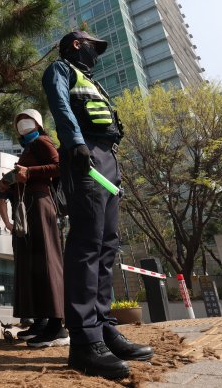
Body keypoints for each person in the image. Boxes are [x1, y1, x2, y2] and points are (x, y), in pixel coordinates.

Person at [42, 30, 152, 380]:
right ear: (77, 43)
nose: (96, 53)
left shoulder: (92, 82)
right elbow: (60, 104)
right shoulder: (60, 69)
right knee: (87, 246)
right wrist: (74, 143)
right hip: (84, 155)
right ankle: (85, 343)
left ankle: (104, 330)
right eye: (93, 46)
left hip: (106, 158)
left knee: (107, 246)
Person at [0, 109, 66, 347]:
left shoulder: (43, 141)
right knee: (34, 264)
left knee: (47, 261)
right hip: (27, 208)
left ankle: (57, 326)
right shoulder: (28, 148)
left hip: (41, 204)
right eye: (18, 124)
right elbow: (24, 179)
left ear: (38, 123)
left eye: (27, 121)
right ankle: (41, 321)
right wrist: (9, 181)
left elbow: (59, 167)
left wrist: (29, 172)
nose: (22, 126)